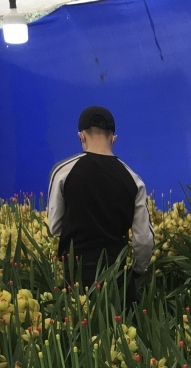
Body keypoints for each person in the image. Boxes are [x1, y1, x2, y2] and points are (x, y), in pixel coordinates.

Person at [47, 105, 154, 294]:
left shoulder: (63, 172)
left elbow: (55, 227)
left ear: (81, 137)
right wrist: (138, 270)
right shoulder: (133, 179)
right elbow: (144, 240)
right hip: (116, 277)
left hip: (77, 277)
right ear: (113, 139)